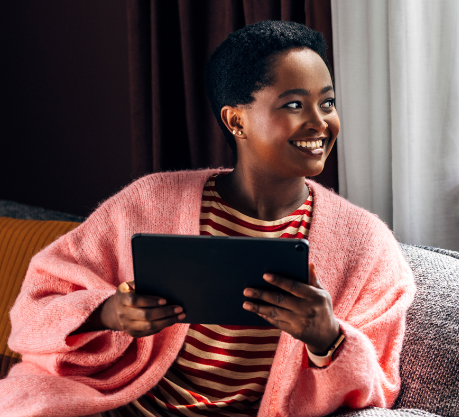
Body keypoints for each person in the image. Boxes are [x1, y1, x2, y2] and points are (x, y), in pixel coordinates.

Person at [0, 21, 415, 417]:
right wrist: (109, 313)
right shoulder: (150, 201)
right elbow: (36, 305)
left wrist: (328, 338)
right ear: (236, 120)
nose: (320, 122)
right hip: (119, 407)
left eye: (327, 102)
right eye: (294, 104)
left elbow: (379, 385)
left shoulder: (366, 244)